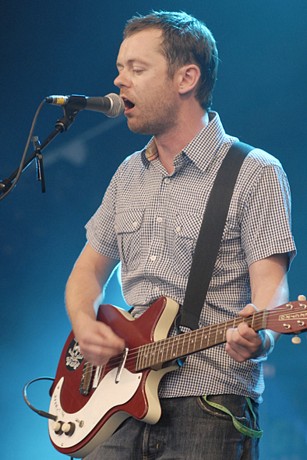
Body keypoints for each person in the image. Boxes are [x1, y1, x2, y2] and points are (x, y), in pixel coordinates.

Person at [65, 10, 296, 460]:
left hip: (209, 403)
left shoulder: (255, 172)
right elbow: (86, 273)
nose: (119, 82)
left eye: (136, 68)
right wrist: (83, 324)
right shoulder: (129, 173)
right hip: (116, 405)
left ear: (186, 77)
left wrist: (260, 336)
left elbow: (272, 291)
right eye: (119, 69)